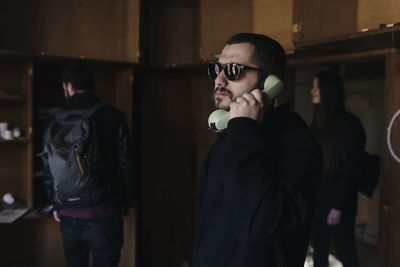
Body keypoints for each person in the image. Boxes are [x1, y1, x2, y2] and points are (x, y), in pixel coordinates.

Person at [190, 33, 322, 267]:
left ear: (269, 83)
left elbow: (256, 223)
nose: (219, 80)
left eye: (233, 70)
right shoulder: (228, 140)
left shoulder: (298, 146)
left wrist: (243, 128)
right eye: (216, 69)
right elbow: (208, 227)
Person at [42, 65, 137, 267]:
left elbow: (48, 168)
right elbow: (127, 163)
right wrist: (128, 200)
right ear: (91, 86)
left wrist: (55, 202)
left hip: (68, 211)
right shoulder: (113, 116)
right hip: (105, 211)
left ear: (68, 86)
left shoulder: (53, 120)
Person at [310, 70, 366, 267]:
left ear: (328, 90)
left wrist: (337, 206)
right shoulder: (319, 123)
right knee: (319, 248)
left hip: (339, 202)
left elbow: (351, 170)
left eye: (317, 87)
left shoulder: (348, 124)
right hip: (319, 200)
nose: (312, 91)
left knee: (345, 249)